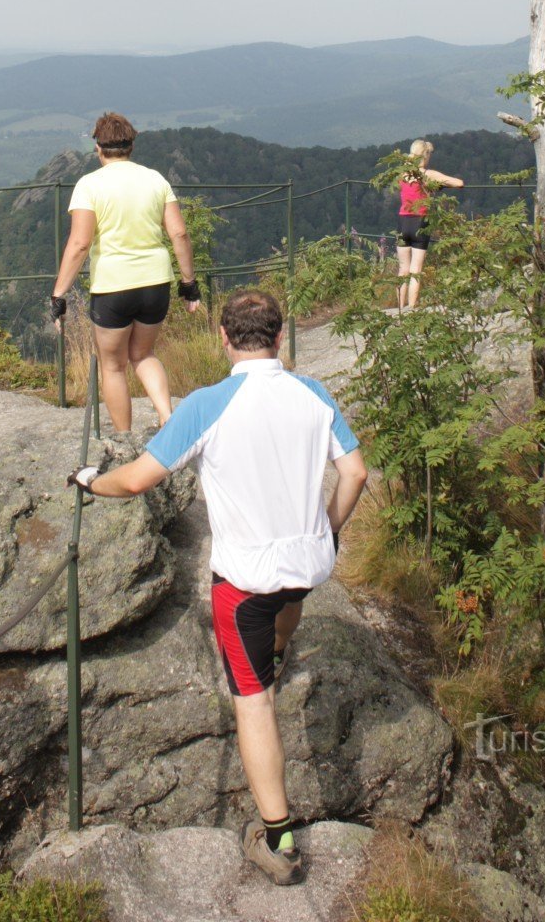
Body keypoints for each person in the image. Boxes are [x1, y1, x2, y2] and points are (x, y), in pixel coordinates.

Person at [68, 289, 368, 886]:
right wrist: (327, 531)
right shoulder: (314, 393)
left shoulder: (209, 404)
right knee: (288, 604)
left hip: (246, 579)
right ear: (279, 337)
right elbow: (355, 471)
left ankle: (278, 838)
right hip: (305, 565)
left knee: (252, 701)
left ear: (224, 340)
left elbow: (137, 480)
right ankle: (280, 651)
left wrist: (89, 481)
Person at [50, 112, 199, 431]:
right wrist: (189, 283)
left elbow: (79, 244)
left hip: (112, 287)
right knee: (144, 355)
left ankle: (124, 439)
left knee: (113, 367)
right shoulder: (155, 179)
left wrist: (59, 294)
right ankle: (167, 418)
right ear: (131, 146)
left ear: (98, 148)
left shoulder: (89, 185)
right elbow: (179, 234)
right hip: (155, 284)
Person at [394, 138, 463, 312]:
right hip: (420, 222)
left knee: (403, 269)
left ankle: (400, 309)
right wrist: (438, 186)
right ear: (425, 155)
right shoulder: (427, 174)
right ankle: (412, 309)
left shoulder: (402, 174)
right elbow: (458, 183)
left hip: (402, 222)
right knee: (415, 269)